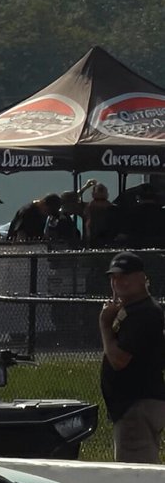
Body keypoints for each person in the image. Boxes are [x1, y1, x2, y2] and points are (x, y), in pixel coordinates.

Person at [101, 253, 165, 464]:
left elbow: (119, 360)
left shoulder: (145, 313)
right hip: (131, 407)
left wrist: (104, 326)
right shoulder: (131, 310)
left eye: (125, 276)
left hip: (137, 406)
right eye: (114, 277)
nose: (118, 282)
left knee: (135, 476)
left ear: (142, 278)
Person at [84, 182, 116, 246]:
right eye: (97, 200)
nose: (100, 205)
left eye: (103, 200)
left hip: (108, 236)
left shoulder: (112, 208)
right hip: (93, 236)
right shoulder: (89, 206)